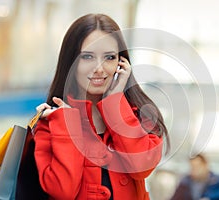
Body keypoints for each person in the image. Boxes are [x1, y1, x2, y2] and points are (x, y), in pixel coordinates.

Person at [34, 13, 169, 200]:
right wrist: (67, 123)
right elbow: (62, 191)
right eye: (87, 56)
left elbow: (142, 167)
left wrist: (115, 105)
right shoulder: (52, 121)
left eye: (109, 57)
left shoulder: (141, 113)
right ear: (71, 62)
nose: (99, 68)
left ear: (121, 63)